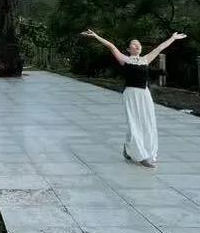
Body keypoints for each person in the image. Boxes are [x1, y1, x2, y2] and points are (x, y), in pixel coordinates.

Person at [80, 29, 187, 167]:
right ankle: (141, 156)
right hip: (131, 94)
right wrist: (96, 36)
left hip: (145, 94)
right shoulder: (125, 59)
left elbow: (160, 47)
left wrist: (172, 38)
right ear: (128, 49)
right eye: (134, 44)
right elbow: (111, 46)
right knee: (134, 123)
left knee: (147, 123)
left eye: (139, 44)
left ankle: (132, 150)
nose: (137, 46)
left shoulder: (146, 59)